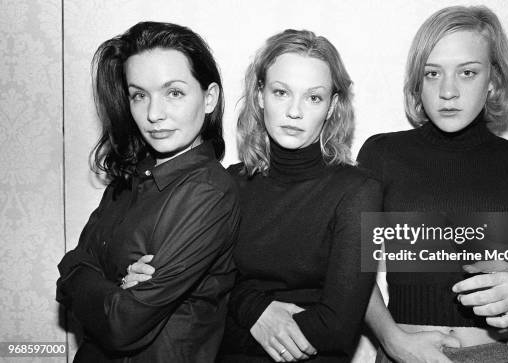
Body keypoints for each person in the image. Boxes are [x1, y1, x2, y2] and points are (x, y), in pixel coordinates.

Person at [358, 6, 508, 363]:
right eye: (432, 73)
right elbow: (350, 272)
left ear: (493, 79)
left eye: (467, 72)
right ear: (417, 81)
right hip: (406, 355)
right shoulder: (381, 155)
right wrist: (390, 338)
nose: (448, 91)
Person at [55, 21, 239, 362]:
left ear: (209, 97)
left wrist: (88, 276)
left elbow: (123, 323)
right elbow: (67, 273)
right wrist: (112, 284)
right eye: (139, 95)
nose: (154, 114)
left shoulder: (210, 192)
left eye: (174, 92)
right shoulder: (130, 175)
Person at [215, 29, 382, 362]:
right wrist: (255, 311)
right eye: (281, 92)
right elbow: (204, 289)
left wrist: (242, 315)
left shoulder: (359, 191)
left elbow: (338, 327)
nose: (295, 111)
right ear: (260, 95)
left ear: (333, 106)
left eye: (313, 97)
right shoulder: (229, 184)